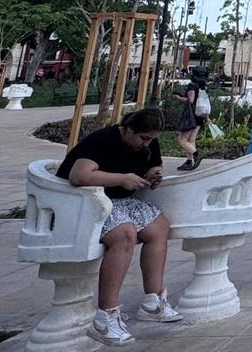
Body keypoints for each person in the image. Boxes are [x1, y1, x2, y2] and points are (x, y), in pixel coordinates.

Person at [57, 108, 182, 346]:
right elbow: (79, 175)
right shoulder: (103, 140)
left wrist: (153, 174)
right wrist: (122, 179)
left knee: (159, 227)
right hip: (86, 201)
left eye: (151, 139)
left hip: (120, 201)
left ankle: (153, 302)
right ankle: (106, 317)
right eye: (143, 138)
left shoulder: (147, 144)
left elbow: (152, 166)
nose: (146, 143)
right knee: (125, 235)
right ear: (127, 129)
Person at [176, 68, 210, 172]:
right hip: (200, 115)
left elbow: (190, 100)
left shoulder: (192, 85)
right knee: (191, 140)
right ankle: (189, 161)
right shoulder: (205, 87)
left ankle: (196, 155)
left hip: (191, 116)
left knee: (182, 140)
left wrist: (179, 97)